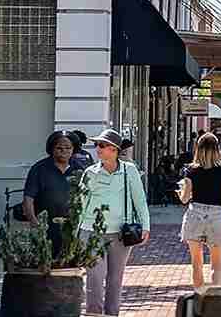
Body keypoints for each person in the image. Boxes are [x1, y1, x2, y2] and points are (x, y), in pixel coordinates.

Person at [79, 129, 149, 316]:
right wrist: (77, 231)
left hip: (120, 233)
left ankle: (112, 314)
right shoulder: (90, 172)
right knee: (94, 277)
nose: (97, 149)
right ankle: (94, 314)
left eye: (102, 145)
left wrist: (146, 226)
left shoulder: (129, 171)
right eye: (96, 145)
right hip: (91, 232)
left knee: (115, 279)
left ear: (114, 149)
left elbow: (139, 200)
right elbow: (81, 203)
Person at [180, 132, 221, 292]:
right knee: (217, 265)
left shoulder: (191, 171)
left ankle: (200, 301)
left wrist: (180, 191)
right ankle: (216, 303)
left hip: (195, 212)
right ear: (217, 149)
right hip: (217, 214)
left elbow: (184, 198)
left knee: (197, 264)